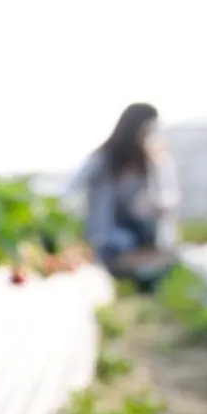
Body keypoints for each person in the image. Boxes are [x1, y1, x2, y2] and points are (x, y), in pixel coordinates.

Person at [63, 102, 181, 290]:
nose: (151, 133)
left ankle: (143, 280)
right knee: (124, 243)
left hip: (141, 233)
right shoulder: (104, 157)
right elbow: (71, 189)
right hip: (108, 236)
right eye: (148, 127)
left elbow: (166, 195)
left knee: (164, 258)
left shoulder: (148, 160)